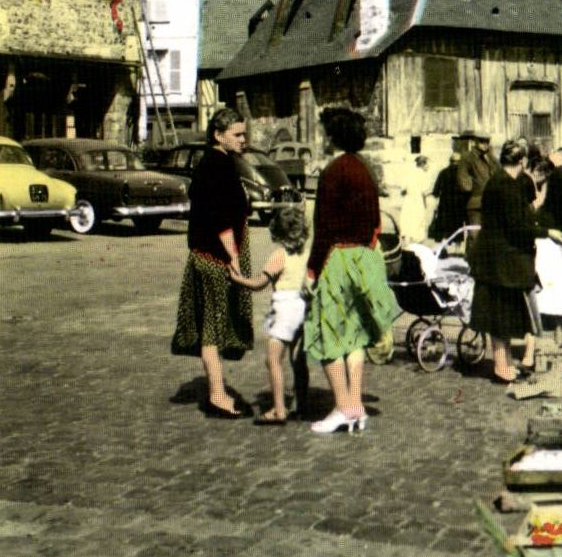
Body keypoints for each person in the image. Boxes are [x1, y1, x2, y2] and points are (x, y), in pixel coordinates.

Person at [303, 107, 400, 435]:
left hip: (339, 258)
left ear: (332, 136)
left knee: (329, 335)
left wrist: (312, 269)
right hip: (365, 258)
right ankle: (356, 405)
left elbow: (324, 227)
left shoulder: (334, 171)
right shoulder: (366, 169)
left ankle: (343, 407)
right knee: (355, 335)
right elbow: (376, 221)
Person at [171, 106, 254, 418]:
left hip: (208, 255)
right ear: (219, 135)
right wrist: (233, 258)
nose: (243, 140)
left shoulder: (215, 162)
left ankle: (216, 392)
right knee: (212, 330)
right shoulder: (217, 166)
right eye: (237, 135)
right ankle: (217, 396)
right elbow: (221, 218)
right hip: (216, 258)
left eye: (244, 134)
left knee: (213, 328)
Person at [469, 139, 545, 384]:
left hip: (495, 259)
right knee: (500, 317)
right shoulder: (506, 186)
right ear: (522, 162)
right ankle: (502, 367)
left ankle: (504, 364)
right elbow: (517, 227)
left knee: (500, 316)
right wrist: (546, 232)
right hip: (502, 262)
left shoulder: (499, 181)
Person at [236, 202, 310, 425]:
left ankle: (279, 409)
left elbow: (260, 283)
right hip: (303, 307)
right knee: (298, 360)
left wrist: (239, 279)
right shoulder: (306, 254)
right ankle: (301, 404)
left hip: (284, 309)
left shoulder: (279, 255)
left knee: (273, 360)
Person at [428, 142, 469, 243]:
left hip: (445, 204)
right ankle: (457, 245)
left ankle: (443, 246)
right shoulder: (463, 174)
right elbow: (467, 189)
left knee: (443, 225)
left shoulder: (443, 172)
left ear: (450, 161)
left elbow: (436, 191)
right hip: (459, 204)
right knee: (457, 224)